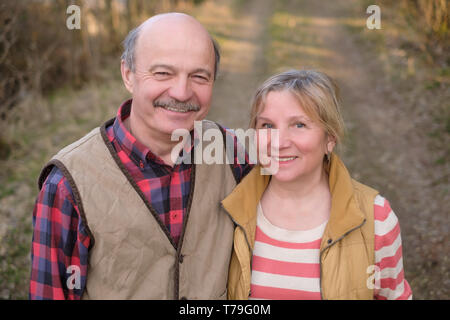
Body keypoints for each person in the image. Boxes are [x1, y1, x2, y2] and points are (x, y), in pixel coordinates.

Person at [29, 13, 252, 299]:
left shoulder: (232, 154)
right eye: (163, 73)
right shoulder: (67, 185)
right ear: (128, 75)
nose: (182, 92)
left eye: (199, 76)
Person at [224, 69, 413, 300]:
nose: (279, 142)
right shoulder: (230, 208)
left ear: (330, 139)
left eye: (299, 125)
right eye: (267, 126)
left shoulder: (375, 219)